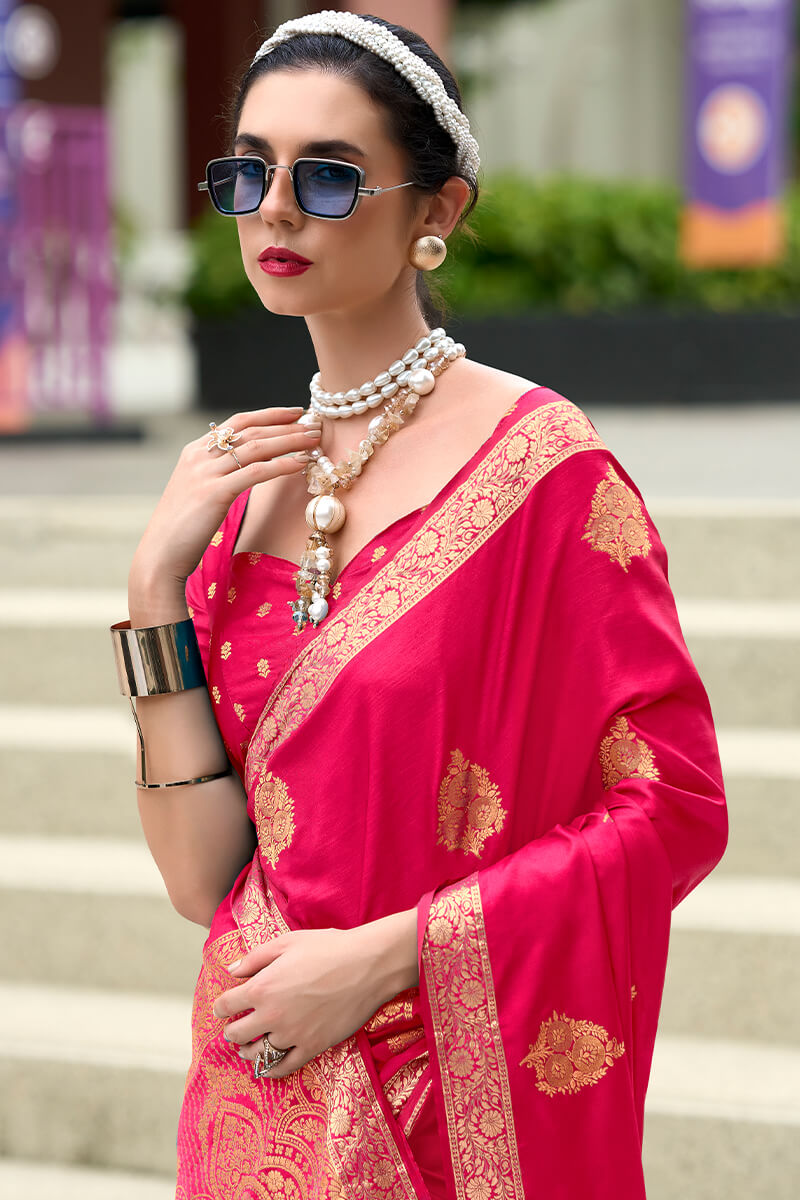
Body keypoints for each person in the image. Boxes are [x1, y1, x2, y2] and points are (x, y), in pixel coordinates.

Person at [110, 11, 728, 1199]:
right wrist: (152, 594)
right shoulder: (233, 492)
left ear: (434, 213)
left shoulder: (541, 470)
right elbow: (204, 882)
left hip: (442, 1109)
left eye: (328, 176)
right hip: (258, 1110)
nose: (274, 207)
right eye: (248, 168)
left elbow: (671, 806)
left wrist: (386, 961)